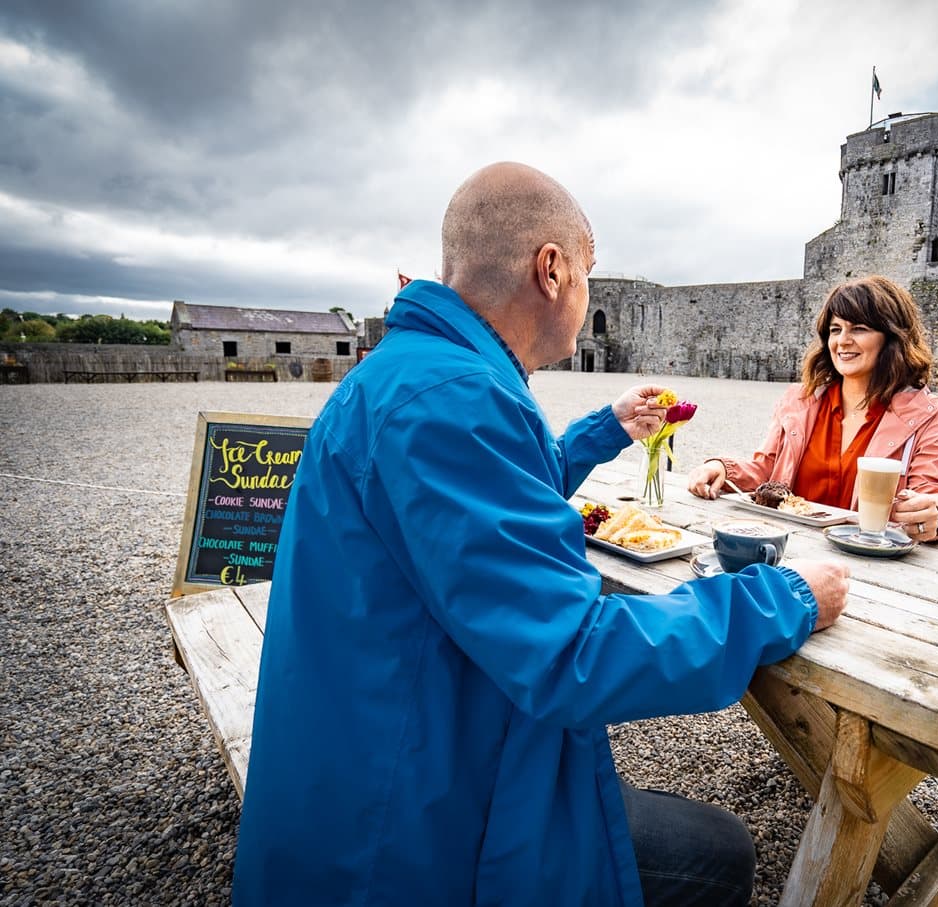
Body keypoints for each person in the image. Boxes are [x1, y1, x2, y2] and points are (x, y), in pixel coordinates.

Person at [232, 162, 851, 907]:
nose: (589, 295)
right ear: (551, 270)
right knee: (722, 852)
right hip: (407, 834)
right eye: (589, 273)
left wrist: (606, 429)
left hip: (375, 754)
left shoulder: (418, 373)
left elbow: (483, 520)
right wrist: (780, 598)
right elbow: (572, 654)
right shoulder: (452, 399)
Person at [687, 276, 938, 543]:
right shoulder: (799, 402)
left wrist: (934, 513)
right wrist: (723, 469)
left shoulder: (925, 414)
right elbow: (767, 469)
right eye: (835, 329)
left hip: (871, 563)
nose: (842, 340)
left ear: (891, 337)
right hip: (791, 550)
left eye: (859, 329)